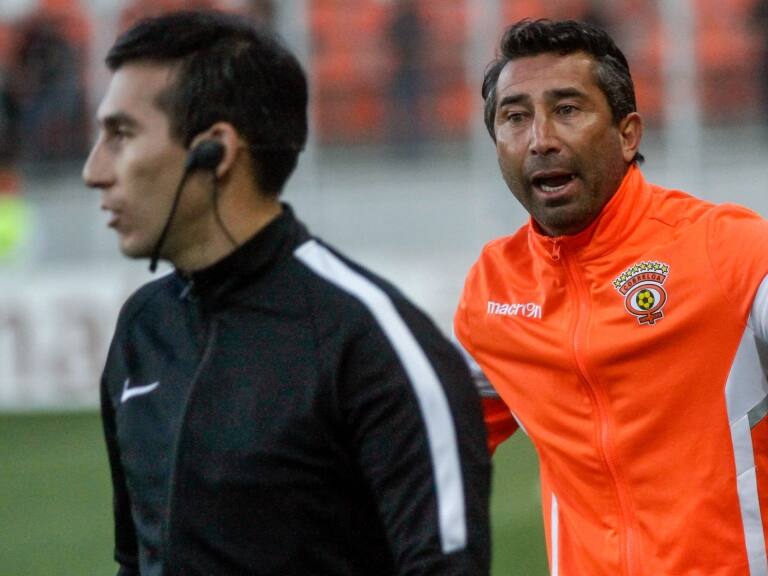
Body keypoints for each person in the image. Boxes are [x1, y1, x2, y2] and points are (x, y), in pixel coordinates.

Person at [83, 11, 491, 576]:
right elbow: (137, 561)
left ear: (215, 152)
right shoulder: (142, 328)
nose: (94, 170)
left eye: (122, 135)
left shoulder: (372, 344)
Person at [455, 18, 768, 576]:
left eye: (567, 109)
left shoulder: (730, 252)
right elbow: (421, 440)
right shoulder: (494, 292)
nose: (540, 138)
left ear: (628, 134)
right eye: (515, 117)